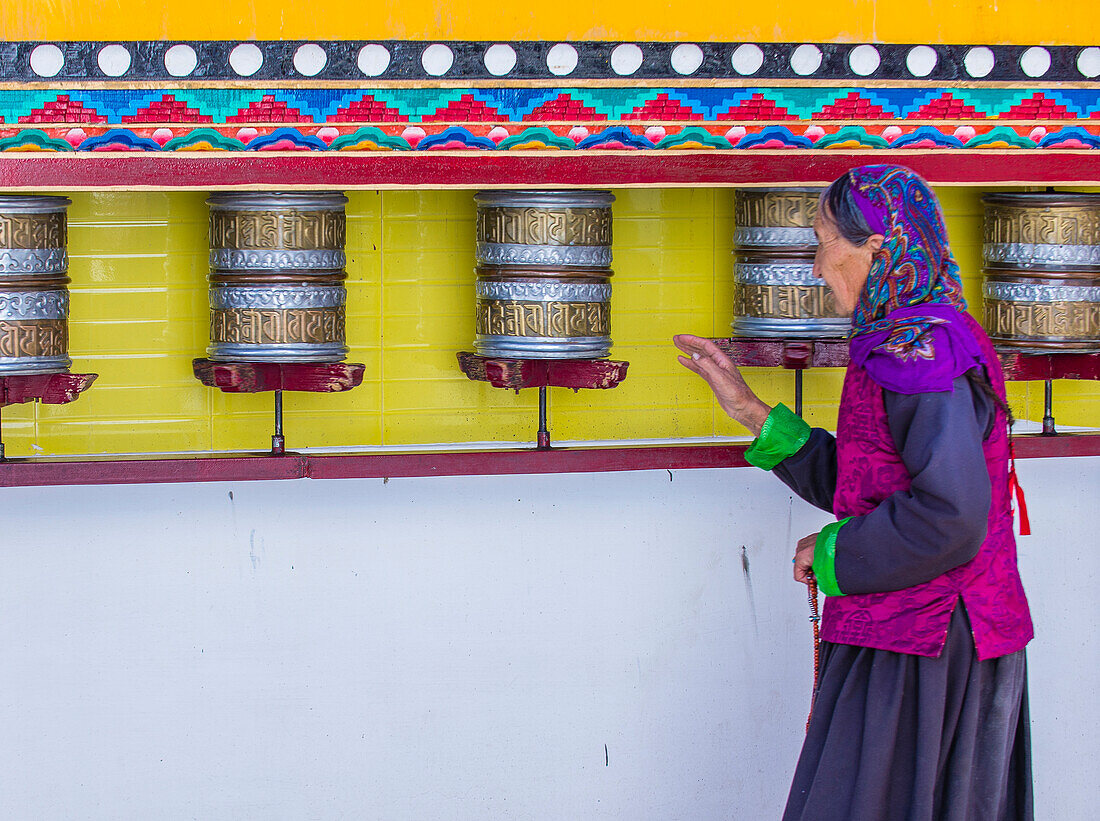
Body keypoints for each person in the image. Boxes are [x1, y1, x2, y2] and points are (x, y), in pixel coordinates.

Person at [674, 165, 1033, 821]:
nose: (815, 265)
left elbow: (952, 515)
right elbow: (872, 482)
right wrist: (753, 412)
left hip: (928, 638)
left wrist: (837, 550)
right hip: (915, 629)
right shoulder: (906, 341)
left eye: (822, 240)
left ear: (874, 244)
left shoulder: (922, 351)